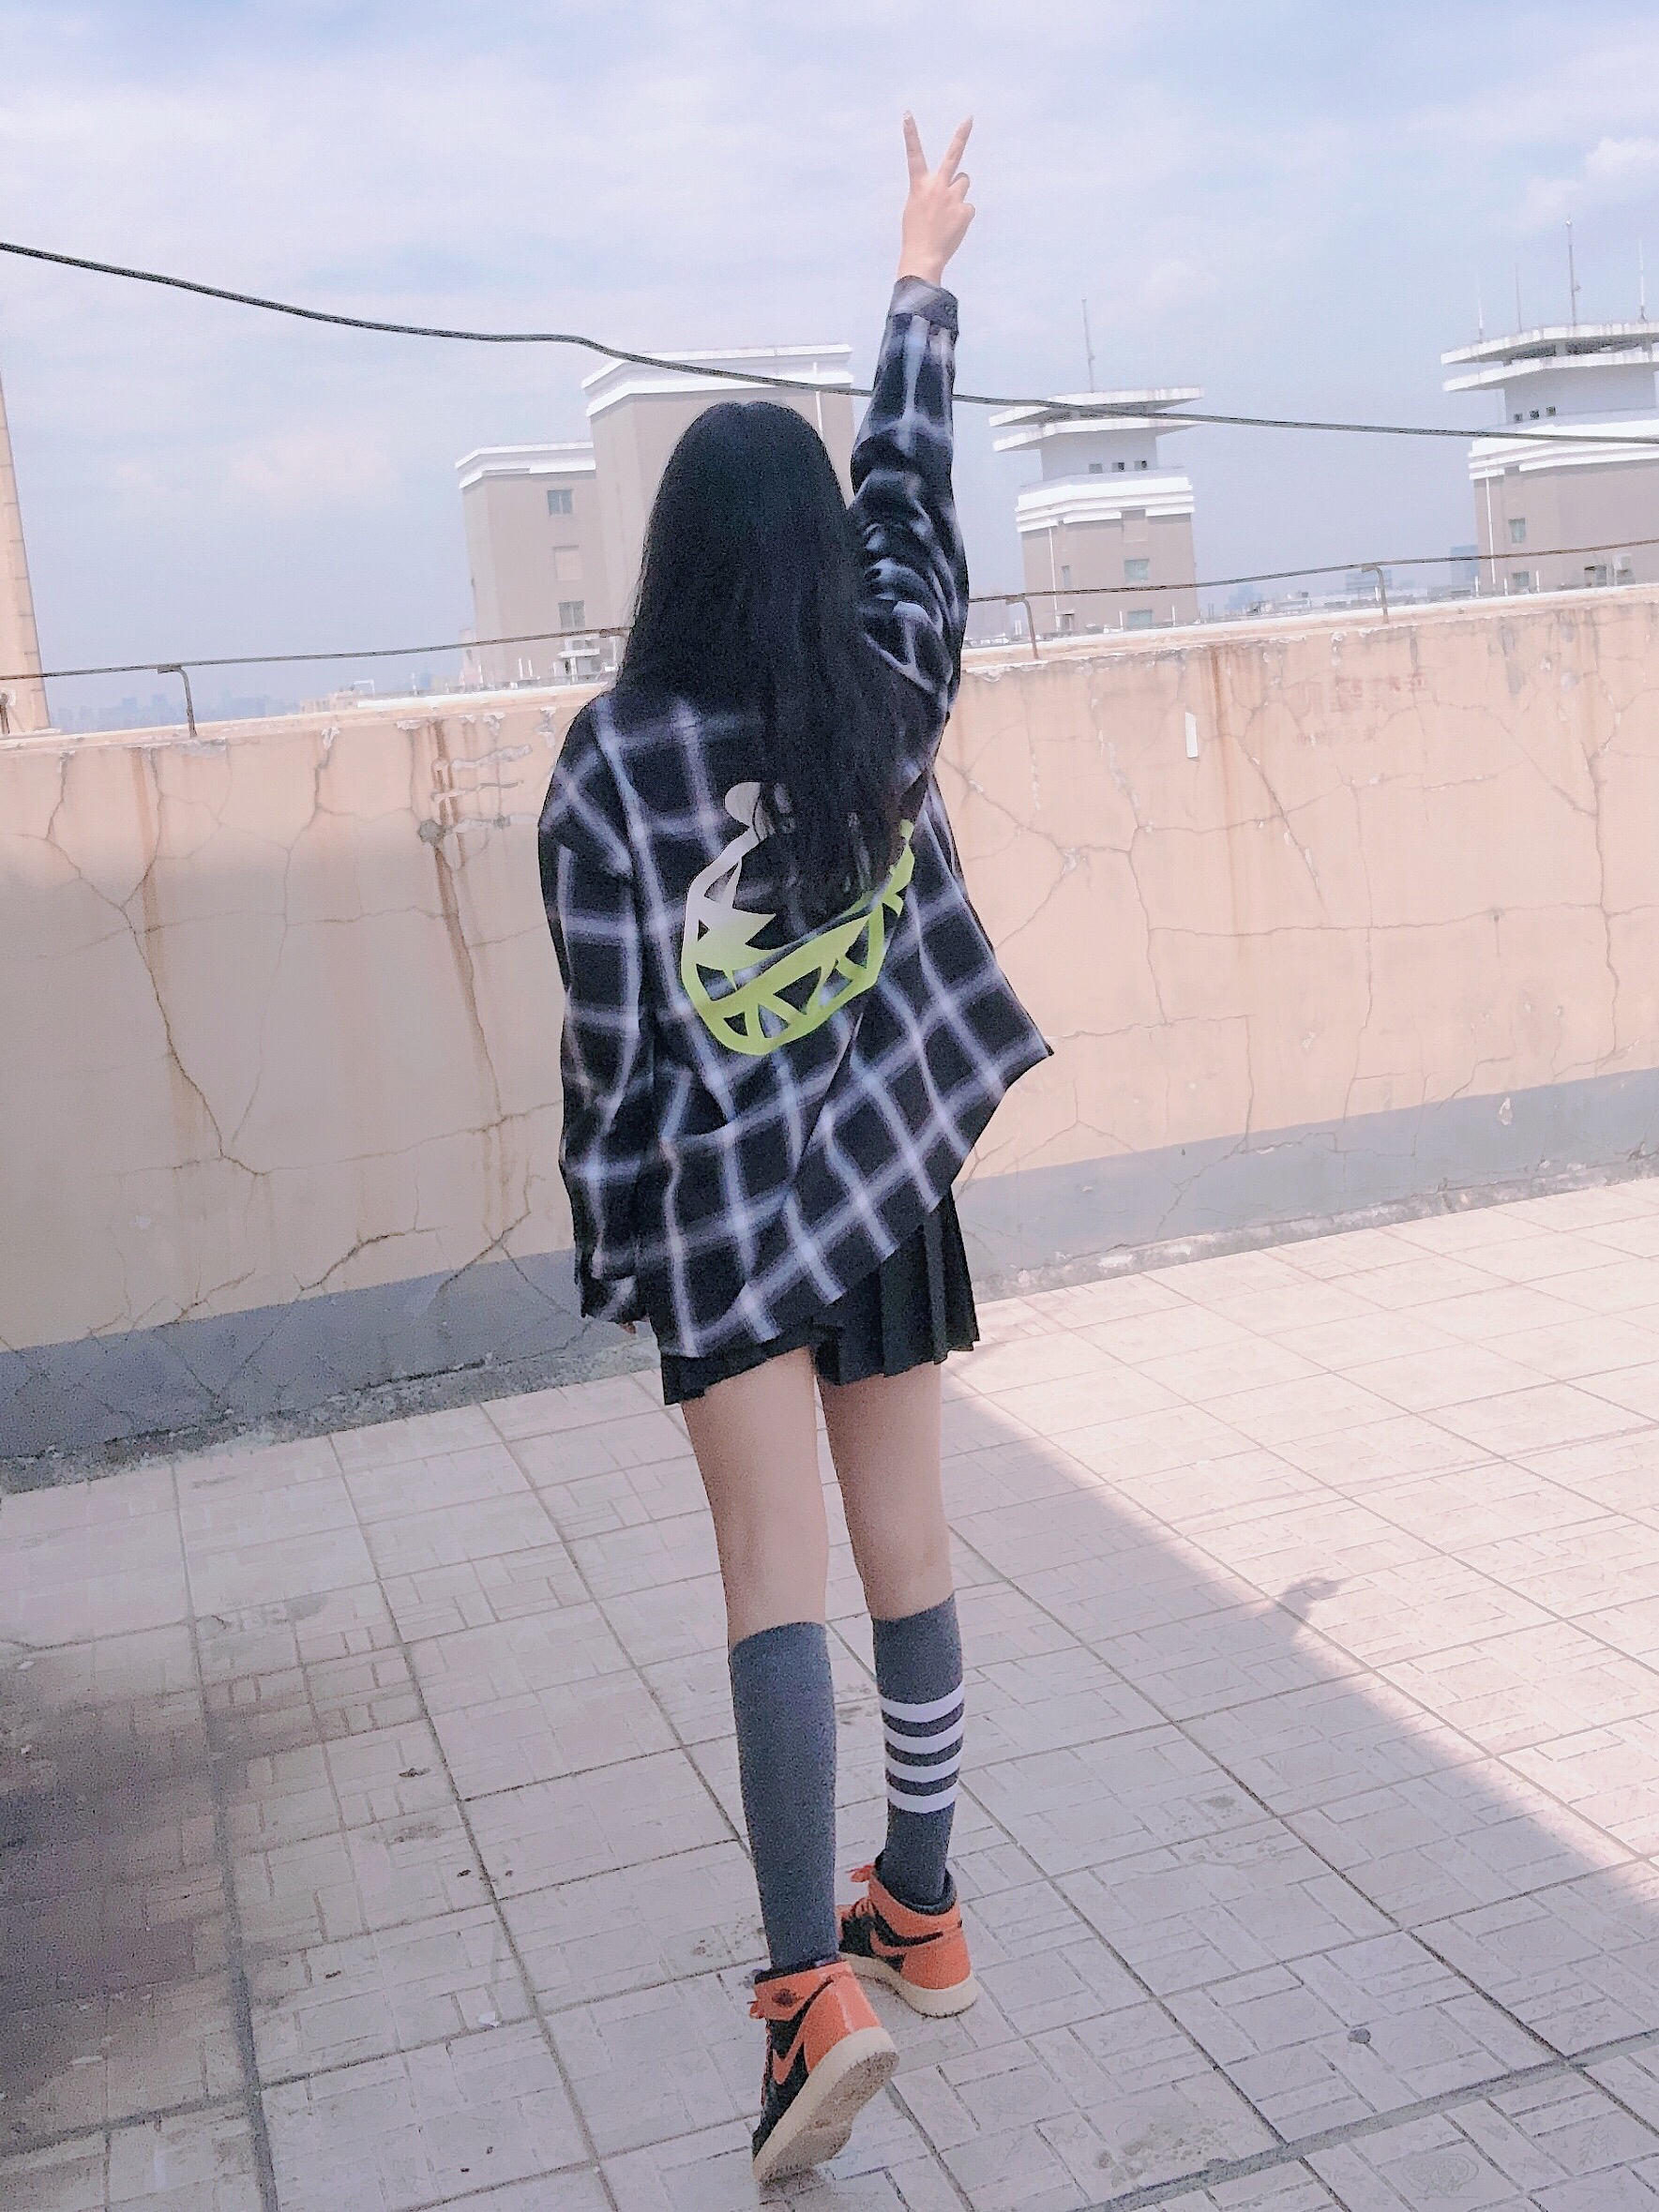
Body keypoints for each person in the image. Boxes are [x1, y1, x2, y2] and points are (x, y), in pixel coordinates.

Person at [539, 113, 1048, 2185]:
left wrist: (621, 1244)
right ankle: (920, 1906)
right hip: (888, 1185)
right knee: (908, 1549)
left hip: (733, 1219)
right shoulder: (886, 685)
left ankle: (801, 2001)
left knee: (775, 1580)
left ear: (672, 559)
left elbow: (610, 1049)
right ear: (815, 560)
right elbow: (912, 497)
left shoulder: (612, 767)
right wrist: (919, 278)